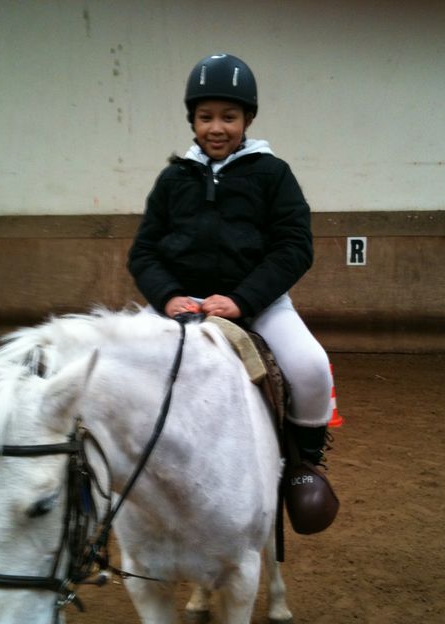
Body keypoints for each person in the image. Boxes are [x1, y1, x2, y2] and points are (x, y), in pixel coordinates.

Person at [128, 53, 336, 509]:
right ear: (193, 121)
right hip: (181, 303)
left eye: (229, 116)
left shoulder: (273, 174)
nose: (216, 127)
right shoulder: (172, 179)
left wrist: (243, 300)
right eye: (205, 117)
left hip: (259, 304)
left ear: (248, 118)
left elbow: (295, 246)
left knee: (312, 367)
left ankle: (303, 465)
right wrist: (167, 297)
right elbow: (143, 251)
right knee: (120, 365)